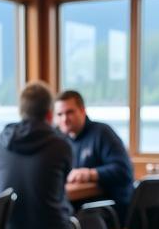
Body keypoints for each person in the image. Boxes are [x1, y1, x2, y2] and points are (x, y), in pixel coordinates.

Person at [0, 80, 74, 229]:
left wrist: (5, 191)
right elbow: (60, 188)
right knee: (84, 224)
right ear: (50, 115)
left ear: (21, 112)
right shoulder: (61, 146)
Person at [53, 89, 134, 220]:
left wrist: (89, 174)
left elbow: (124, 170)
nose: (64, 119)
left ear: (83, 111)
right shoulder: (58, 140)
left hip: (110, 207)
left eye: (69, 112)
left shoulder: (102, 133)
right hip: (79, 205)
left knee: (64, 221)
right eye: (60, 114)